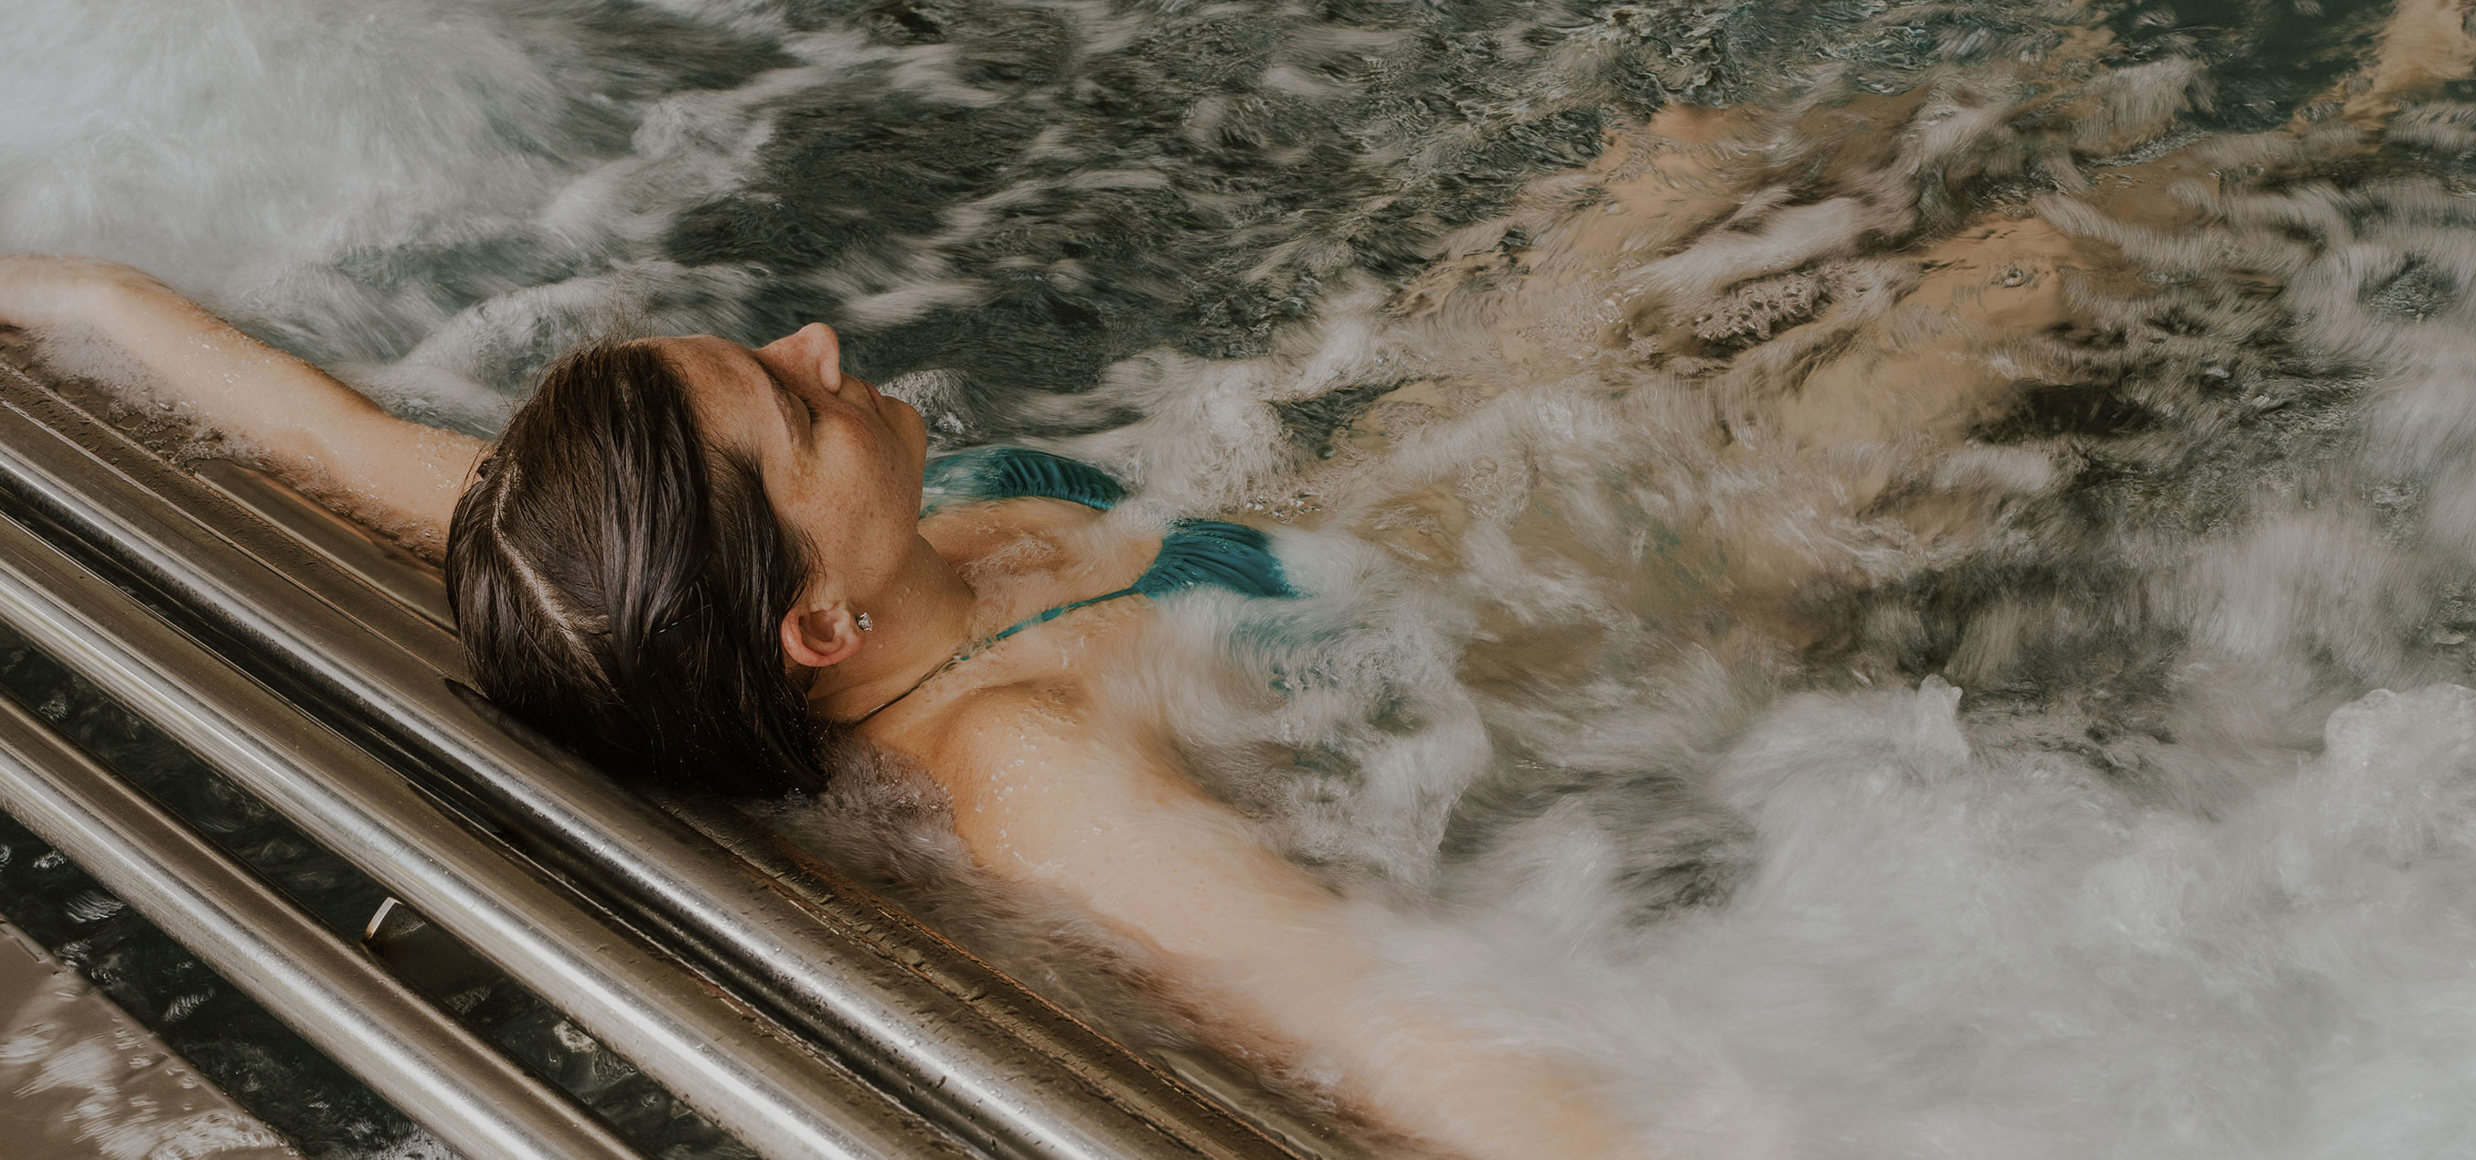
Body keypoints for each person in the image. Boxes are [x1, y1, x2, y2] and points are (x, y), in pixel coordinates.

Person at [0, 253, 1641, 1160]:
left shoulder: (609, 583)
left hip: (1421, 489)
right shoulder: (1028, 761)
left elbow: (329, 434)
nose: (821, 340)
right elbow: (1379, 1028)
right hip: (1593, 580)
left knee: (1689, 159)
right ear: (818, 624)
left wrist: (78, 300)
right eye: (796, 401)